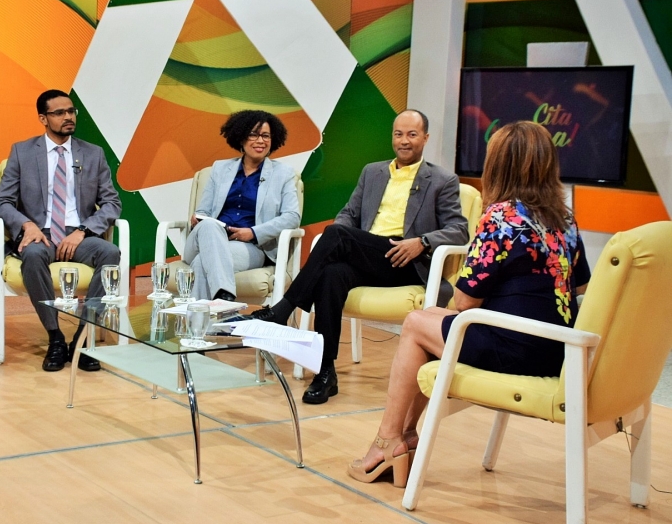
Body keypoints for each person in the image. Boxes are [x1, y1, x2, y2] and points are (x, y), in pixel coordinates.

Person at [346, 121, 590, 487]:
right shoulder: (564, 218)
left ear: (499, 166)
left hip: (515, 347)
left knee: (416, 324)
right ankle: (405, 436)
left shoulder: (502, 217)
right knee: (430, 317)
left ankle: (388, 441)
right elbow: (581, 284)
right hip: (558, 348)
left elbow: (464, 300)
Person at [252, 109, 469, 404]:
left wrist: (422, 242)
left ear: (425, 138)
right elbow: (348, 214)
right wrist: (342, 238)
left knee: (337, 235)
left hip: (406, 261)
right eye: (398, 134)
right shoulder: (373, 172)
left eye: (412, 134)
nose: (404, 141)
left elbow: (459, 230)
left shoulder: (442, 180)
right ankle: (325, 373)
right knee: (331, 273)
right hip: (370, 255)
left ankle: (285, 307)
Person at [0, 89, 122, 373]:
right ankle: (55, 337)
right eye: (59, 113)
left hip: (79, 235)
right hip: (41, 234)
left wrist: (84, 230)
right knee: (33, 255)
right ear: (43, 118)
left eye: (71, 111)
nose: (68, 117)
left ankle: (83, 339)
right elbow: (1, 202)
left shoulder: (93, 153)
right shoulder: (23, 152)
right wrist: (27, 225)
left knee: (110, 253)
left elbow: (112, 203)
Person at [184, 110, 301, 301]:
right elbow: (203, 211)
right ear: (240, 137)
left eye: (265, 136)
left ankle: (206, 316)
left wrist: (253, 232)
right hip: (208, 238)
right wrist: (199, 217)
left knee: (200, 263)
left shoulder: (283, 174)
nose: (260, 141)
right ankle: (225, 297)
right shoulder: (220, 168)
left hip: (249, 247)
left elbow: (292, 217)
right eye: (253, 135)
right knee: (209, 225)